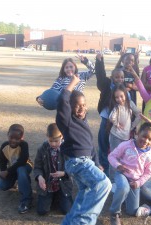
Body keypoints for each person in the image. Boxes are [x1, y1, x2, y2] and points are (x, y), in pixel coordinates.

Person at [56, 74, 111, 225]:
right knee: (103, 184)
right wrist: (73, 82)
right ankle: (84, 222)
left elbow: (90, 145)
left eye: (84, 104)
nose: (82, 107)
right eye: (77, 105)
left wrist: (97, 162)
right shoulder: (67, 121)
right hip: (77, 162)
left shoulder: (83, 123)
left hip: (86, 161)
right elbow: (62, 100)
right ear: (70, 107)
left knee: (85, 192)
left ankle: (69, 222)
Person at [108, 122, 151, 225]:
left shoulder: (150, 155)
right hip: (122, 175)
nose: (145, 140)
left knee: (132, 211)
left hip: (135, 181)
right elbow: (111, 156)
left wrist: (138, 183)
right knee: (123, 187)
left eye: (150, 139)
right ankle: (114, 213)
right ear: (137, 133)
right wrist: (118, 165)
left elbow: (148, 173)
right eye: (144, 136)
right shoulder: (126, 145)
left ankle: (119, 194)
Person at [95, 53, 127, 176]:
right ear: (112, 78)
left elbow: (129, 107)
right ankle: (104, 170)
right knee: (103, 146)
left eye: (122, 77)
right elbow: (100, 75)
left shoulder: (125, 91)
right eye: (117, 77)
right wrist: (99, 61)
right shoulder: (107, 86)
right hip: (106, 121)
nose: (119, 79)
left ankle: (114, 172)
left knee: (115, 148)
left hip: (118, 124)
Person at [33, 123, 73, 215]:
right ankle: (52, 196)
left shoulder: (68, 149)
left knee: (67, 211)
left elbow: (74, 168)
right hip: (48, 184)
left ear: (62, 136)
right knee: (42, 211)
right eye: (50, 141)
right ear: (47, 137)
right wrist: (39, 177)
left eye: (56, 141)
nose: (53, 144)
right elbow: (37, 167)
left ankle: (58, 196)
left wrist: (64, 173)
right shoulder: (42, 149)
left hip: (63, 184)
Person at [108, 84, 142, 180]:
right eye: (116, 97)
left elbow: (139, 114)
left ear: (126, 95)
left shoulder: (130, 103)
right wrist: (116, 124)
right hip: (116, 136)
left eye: (121, 96)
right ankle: (113, 180)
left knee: (123, 158)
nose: (119, 99)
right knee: (114, 158)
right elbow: (111, 117)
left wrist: (132, 126)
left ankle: (121, 179)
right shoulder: (117, 107)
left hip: (126, 137)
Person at [0, 124, 33, 214]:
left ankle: (26, 200)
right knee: (2, 185)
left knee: (20, 170)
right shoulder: (4, 146)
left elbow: (22, 161)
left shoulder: (24, 145)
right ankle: (17, 182)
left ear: (22, 137)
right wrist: (3, 171)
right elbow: (2, 160)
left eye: (17, 138)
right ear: (7, 134)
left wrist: (7, 171)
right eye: (11, 137)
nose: (13, 140)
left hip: (26, 166)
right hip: (13, 169)